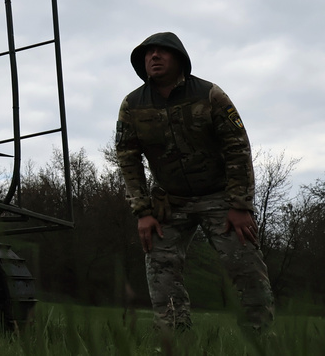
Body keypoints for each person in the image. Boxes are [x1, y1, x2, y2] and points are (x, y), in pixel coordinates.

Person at [114, 32, 274, 332]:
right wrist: (143, 212)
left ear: (180, 58)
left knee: (247, 268)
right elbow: (127, 157)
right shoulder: (133, 104)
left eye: (163, 51)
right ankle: (175, 342)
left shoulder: (210, 95)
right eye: (148, 53)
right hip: (169, 202)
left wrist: (240, 205)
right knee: (160, 272)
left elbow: (237, 148)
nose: (154, 57)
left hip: (220, 198)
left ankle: (261, 338)